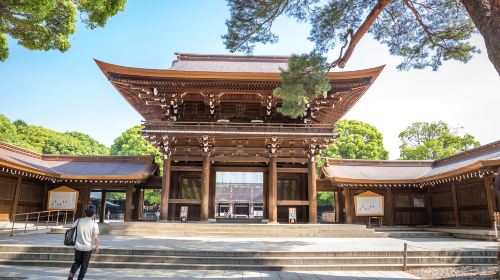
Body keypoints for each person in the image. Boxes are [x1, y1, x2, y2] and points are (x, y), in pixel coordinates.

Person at [68, 204, 99, 280]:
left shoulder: (78, 221)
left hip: (78, 246)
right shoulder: (94, 224)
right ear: (94, 214)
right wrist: (97, 246)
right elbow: (96, 237)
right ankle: (80, 279)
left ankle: (71, 274)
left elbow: (71, 229)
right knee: (84, 265)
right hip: (87, 248)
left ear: (85, 213)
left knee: (77, 262)